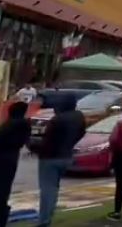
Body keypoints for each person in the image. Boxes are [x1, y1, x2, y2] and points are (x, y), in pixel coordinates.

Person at [37, 94, 85, 225]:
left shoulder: (57, 119)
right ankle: (48, 215)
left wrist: (37, 149)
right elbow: (82, 132)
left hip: (50, 158)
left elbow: (47, 140)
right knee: (53, 188)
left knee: (48, 190)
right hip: (67, 156)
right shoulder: (79, 116)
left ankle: (44, 220)